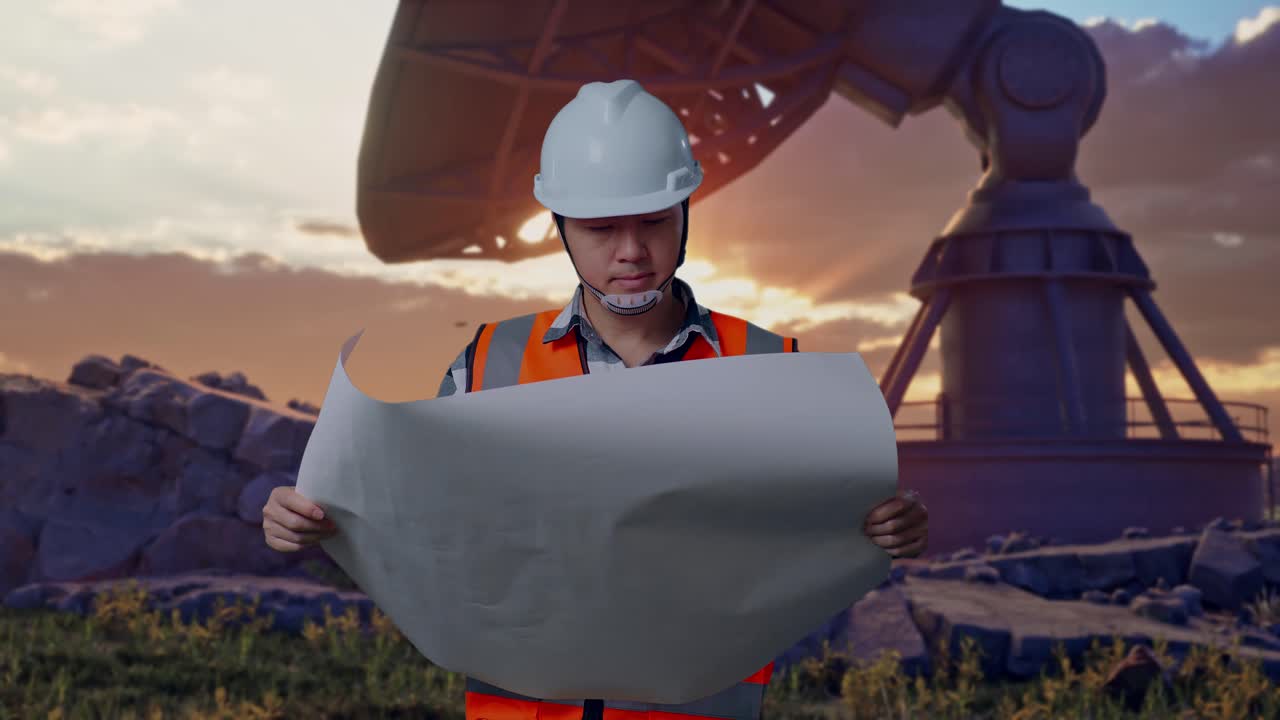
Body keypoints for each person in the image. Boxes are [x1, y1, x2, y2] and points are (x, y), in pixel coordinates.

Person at [264, 78, 929, 720]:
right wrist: (317, 522)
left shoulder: (771, 370)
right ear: (559, 226)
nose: (632, 252)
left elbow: (817, 529)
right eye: (601, 229)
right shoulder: (487, 365)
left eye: (653, 222)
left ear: (686, 212)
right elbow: (425, 527)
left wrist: (883, 531)